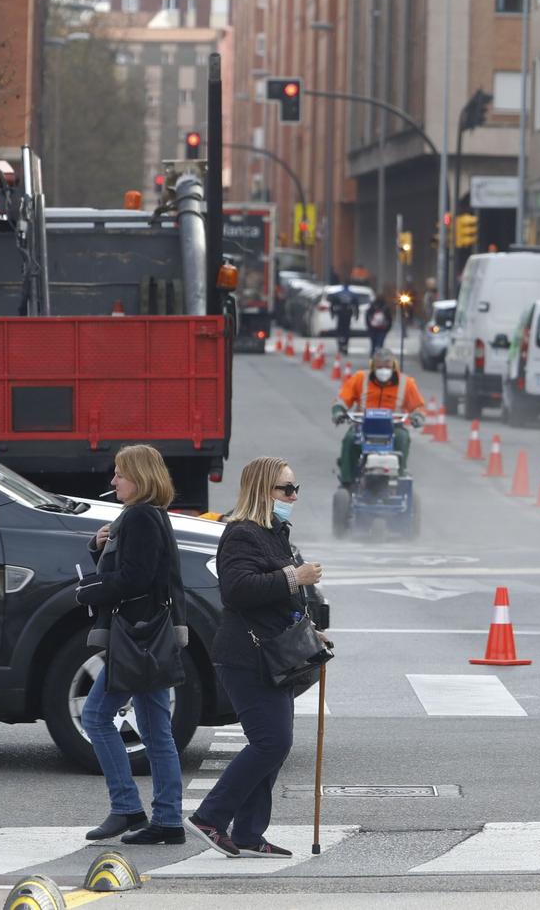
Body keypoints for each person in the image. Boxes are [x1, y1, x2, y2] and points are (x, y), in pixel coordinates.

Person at [188, 456, 326, 858]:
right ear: (263, 491)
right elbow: (236, 590)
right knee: (271, 742)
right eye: (287, 489)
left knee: (273, 744)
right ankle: (210, 817)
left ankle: (248, 833)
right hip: (246, 656)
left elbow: (274, 600)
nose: (294, 496)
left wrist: (308, 628)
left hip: (274, 655)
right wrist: (294, 576)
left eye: (296, 488)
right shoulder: (242, 533)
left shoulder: (274, 532)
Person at [76, 445, 188, 847]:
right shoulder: (151, 515)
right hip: (152, 634)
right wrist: (101, 547)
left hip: (137, 637)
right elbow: (146, 572)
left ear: (138, 477)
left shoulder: (140, 516)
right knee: (158, 732)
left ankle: (127, 807)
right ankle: (168, 819)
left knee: (96, 717)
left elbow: (135, 578)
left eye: (120, 474)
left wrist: (87, 591)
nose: (113, 480)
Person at [336, 352, 426, 488]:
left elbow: (418, 406)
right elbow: (343, 399)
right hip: (363, 426)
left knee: (403, 438)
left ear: (394, 366)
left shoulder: (406, 383)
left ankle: (399, 475)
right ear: (372, 366)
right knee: (350, 439)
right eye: (379, 366)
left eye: (387, 366)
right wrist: (338, 411)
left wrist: (418, 417)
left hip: (393, 427)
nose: (383, 370)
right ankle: (347, 481)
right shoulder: (360, 378)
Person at [330, 284, 357, 355]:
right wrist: (356, 315)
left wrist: (332, 313)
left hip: (340, 314)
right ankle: (345, 345)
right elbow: (355, 305)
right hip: (348, 314)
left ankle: (340, 344)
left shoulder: (339, 294)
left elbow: (332, 304)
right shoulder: (351, 294)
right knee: (346, 331)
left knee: (340, 330)